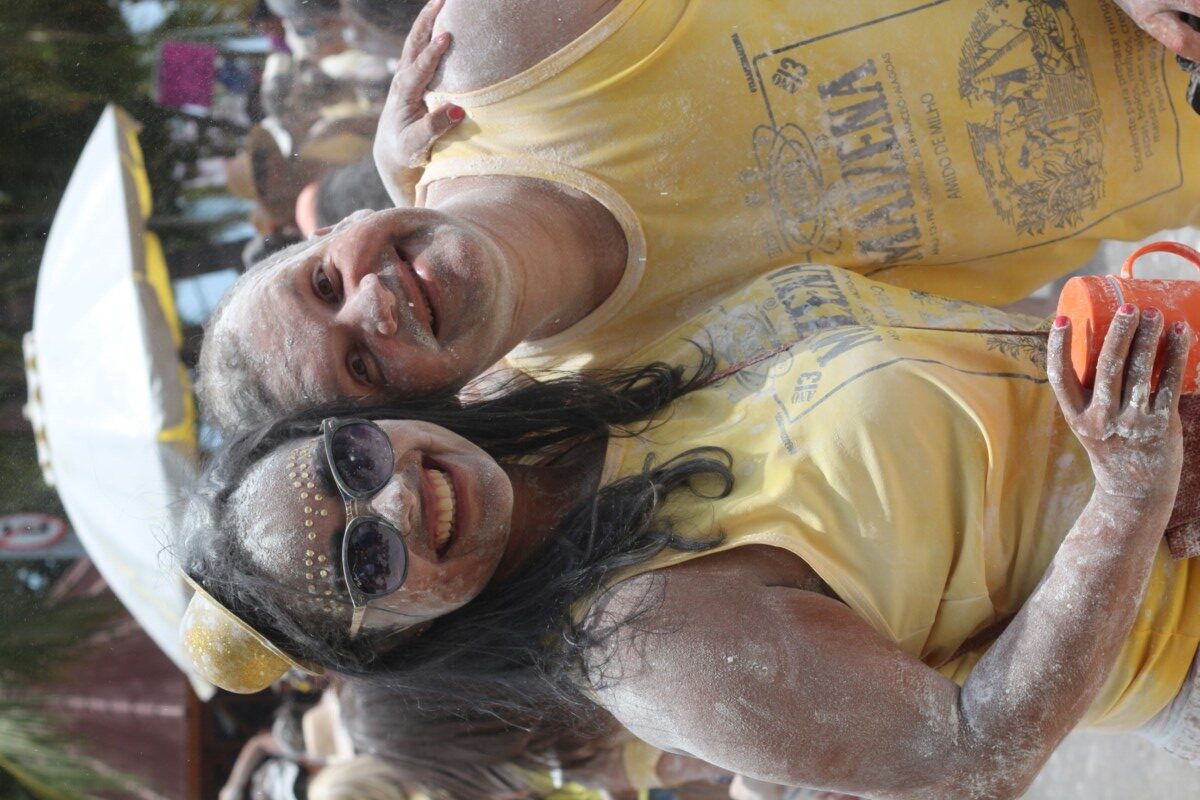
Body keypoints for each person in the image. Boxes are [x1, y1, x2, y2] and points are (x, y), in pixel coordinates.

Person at [181, 262, 1200, 797]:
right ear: (392, 640)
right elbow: (973, 759)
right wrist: (1126, 498)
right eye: (365, 559)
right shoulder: (649, 645)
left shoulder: (577, 388)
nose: (395, 500)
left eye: (349, 461)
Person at [200, 0, 1200, 432]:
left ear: (322, 233)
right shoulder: (637, 393)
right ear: (428, 413)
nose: (371, 303)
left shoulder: (505, 52)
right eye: (362, 367)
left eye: (323, 283)